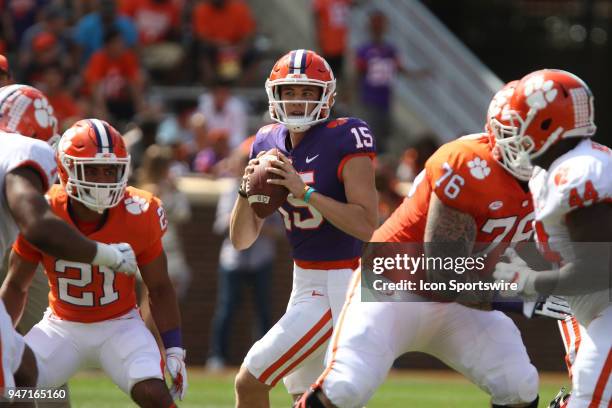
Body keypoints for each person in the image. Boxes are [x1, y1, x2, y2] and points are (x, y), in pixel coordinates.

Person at [296, 80, 542, 408]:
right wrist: (526, 294)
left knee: (519, 385)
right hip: (392, 284)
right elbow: (443, 272)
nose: (538, 147)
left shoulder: (571, 177)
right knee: (344, 388)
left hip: (459, 305)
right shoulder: (468, 162)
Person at [0, 119, 187, 407]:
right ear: (67, 169)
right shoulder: (46, 211)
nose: (101, 179)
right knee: (15, 388)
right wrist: (6, 340)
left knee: (154, 395)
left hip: (121, 326)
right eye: (92, 169)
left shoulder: (140, 210)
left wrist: (174, 350)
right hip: (61, 326)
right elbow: (16, 285)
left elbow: (160, 287)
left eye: (110, 169)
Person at [231, 49, 378, 407]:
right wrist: (244, 189)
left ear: (325, 95)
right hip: (304, 283)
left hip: (340, 285)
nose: (297, 101)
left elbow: (365, 225)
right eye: (290, 91)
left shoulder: (346, 135)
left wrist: (305, 191)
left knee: (250, 380)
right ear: (275, 94)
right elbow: (241, 240)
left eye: (307, 92)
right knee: (305, 396)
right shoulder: (266, 141)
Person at [0, 85, 139, 396]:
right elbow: (36, 224)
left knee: (23, 376)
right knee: (18, 383)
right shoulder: (24, 148)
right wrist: (107, 255)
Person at [491, 69, 612, 408]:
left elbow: (600, 268)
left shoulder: (579, 171)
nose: (514, 131)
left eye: (521, 120)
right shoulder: (556, 171)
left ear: (546, 123)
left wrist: (534, 280)